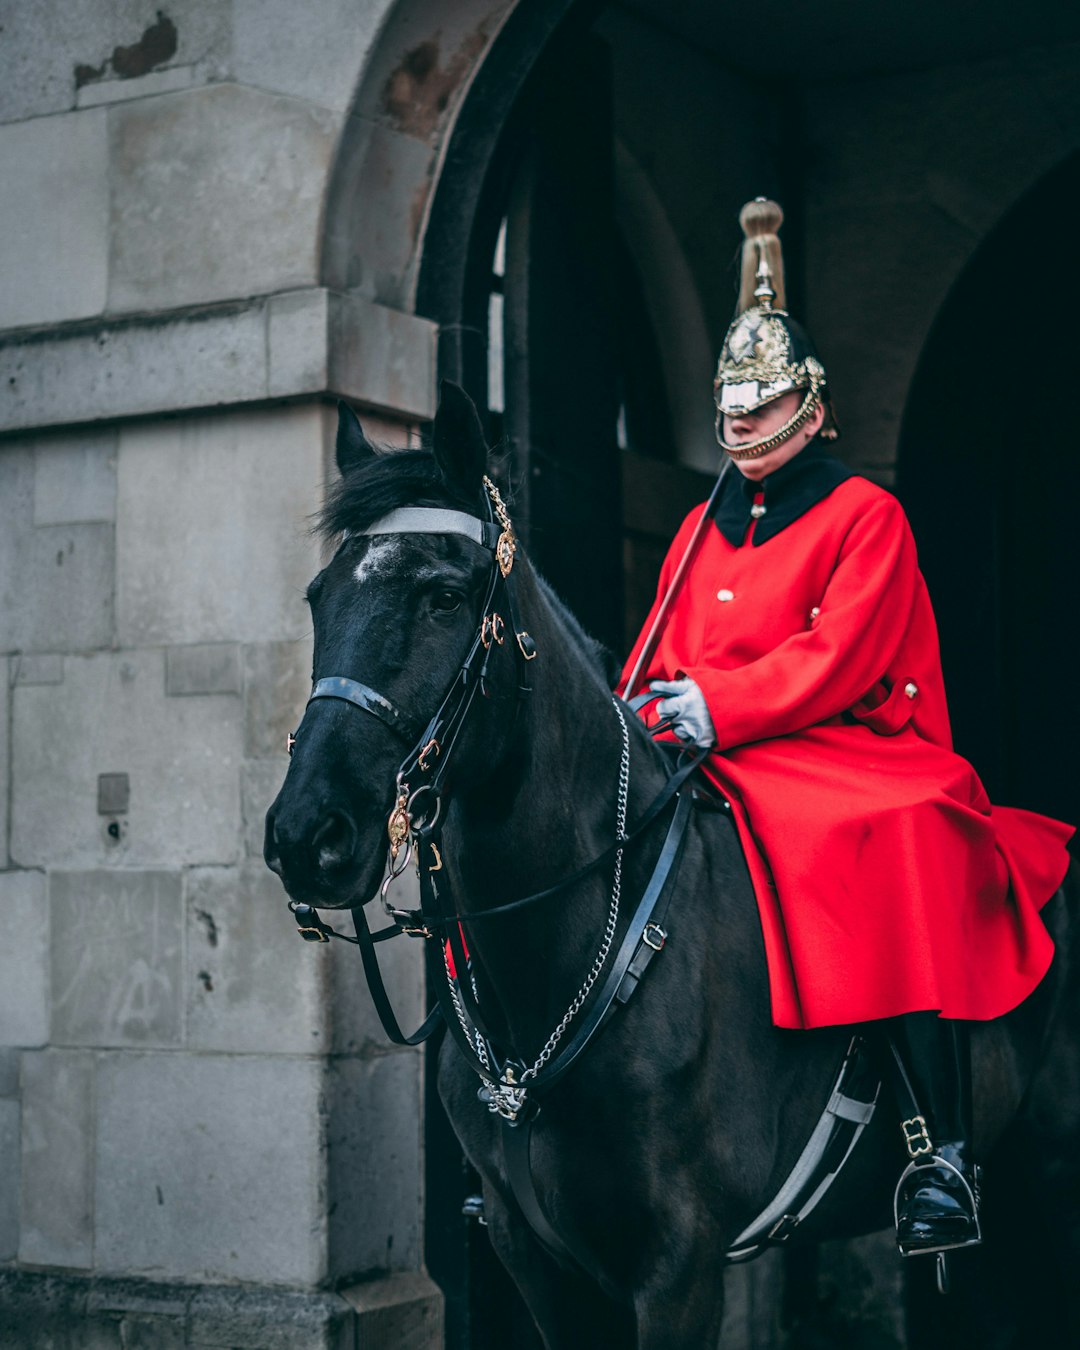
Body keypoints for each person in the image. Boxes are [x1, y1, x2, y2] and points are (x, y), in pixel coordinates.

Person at [621, 199, 1074, 1256]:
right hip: (713, 748)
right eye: (731, 407)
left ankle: (941, 1154)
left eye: (763, 404)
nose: (742, 423)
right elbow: (658, 644)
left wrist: (720, 705)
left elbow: (844, 656)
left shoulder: (867, 513)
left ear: (812, 408)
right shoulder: (700, 525)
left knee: (887, 828)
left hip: (846, 742)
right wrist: (645, 708)